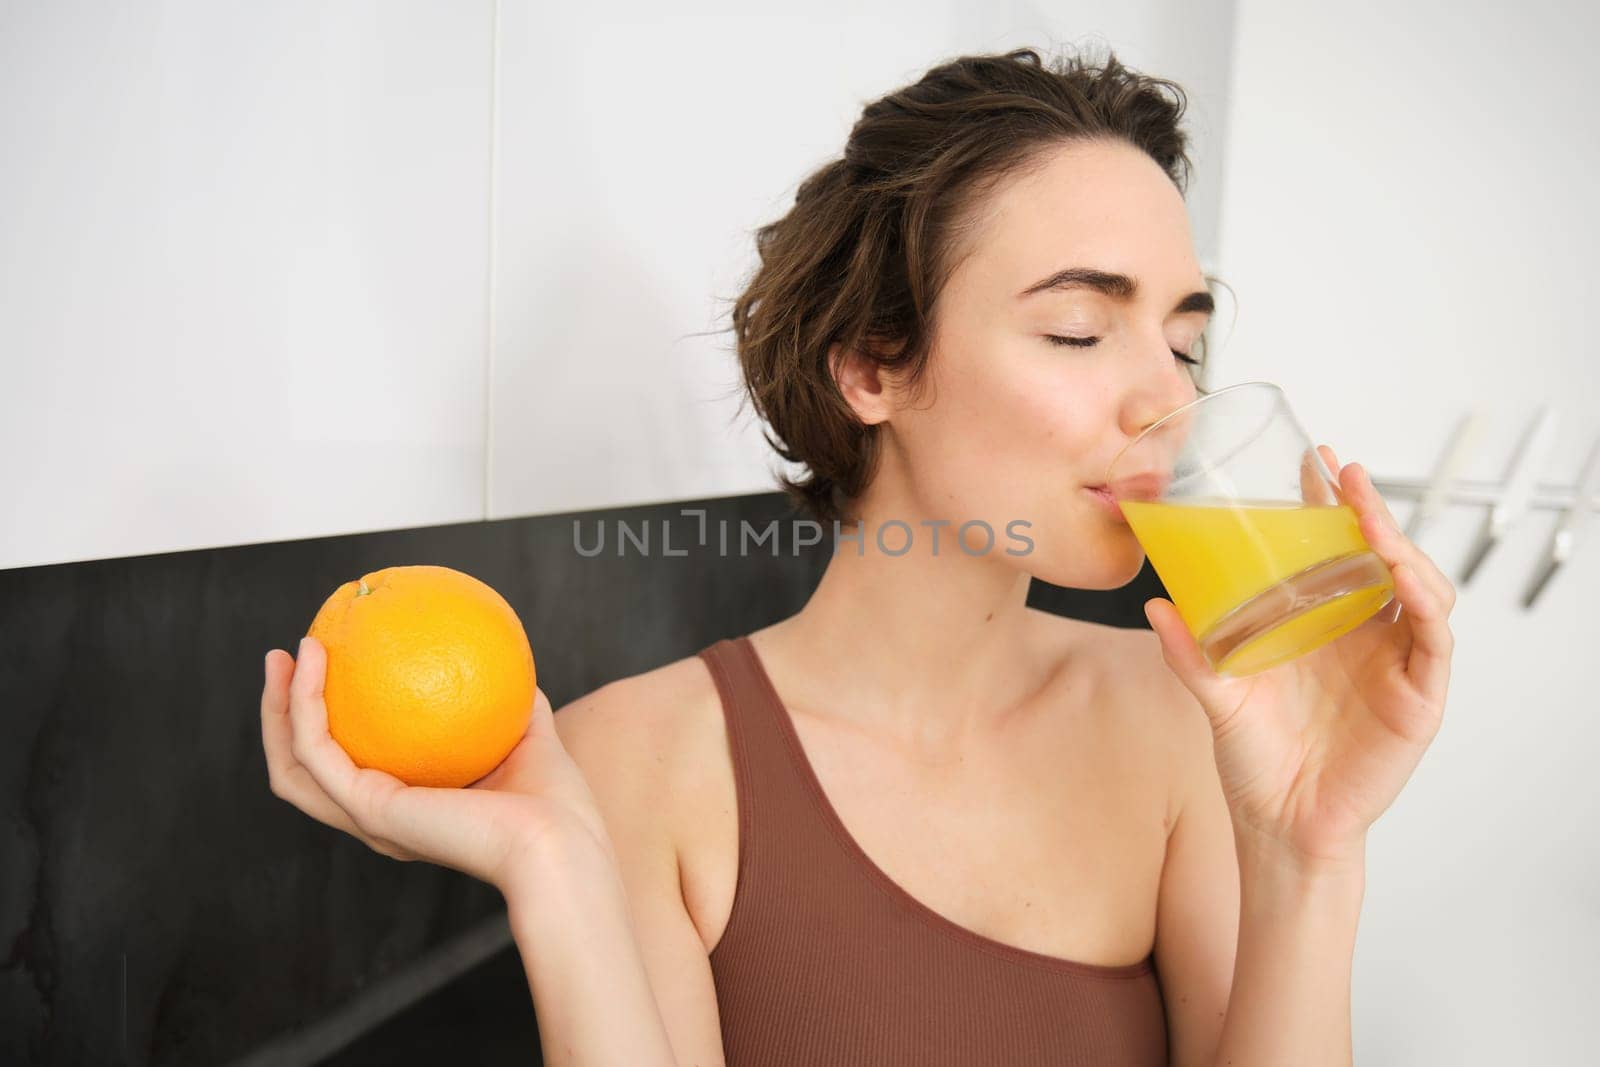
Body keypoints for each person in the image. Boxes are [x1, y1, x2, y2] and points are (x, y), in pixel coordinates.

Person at [260, 46, 1456, 1066]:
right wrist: (554, 875)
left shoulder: (1188, 716)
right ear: (872, 366)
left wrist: (1308, 853)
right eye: (1080, 328)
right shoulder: (637, 758)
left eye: (1184, 346)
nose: (1165, 399)